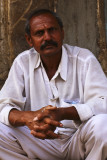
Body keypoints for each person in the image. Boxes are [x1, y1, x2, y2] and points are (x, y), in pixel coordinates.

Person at [0, 9, 107, 160]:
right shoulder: (23, 62)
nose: (47, 37)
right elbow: (3, 105)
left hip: (78, 140)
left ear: (62, 33)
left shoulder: (84, 59)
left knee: (103, 125)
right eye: (39, 33)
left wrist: (63, 112)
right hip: (38, 140)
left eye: (52, 30)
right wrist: (29, 118)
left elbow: (104, 103)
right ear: (29, 40)